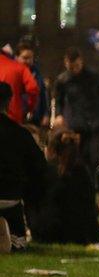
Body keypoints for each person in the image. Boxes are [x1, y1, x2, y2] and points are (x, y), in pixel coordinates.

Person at [25, 128, 99, 245]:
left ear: (51, 149)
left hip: (49, 233)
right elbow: (89, 206)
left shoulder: (46, 170)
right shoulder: (83, 171)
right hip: (79, 233)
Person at [53, 48, 99, 176]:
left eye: (76, 66)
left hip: (97, 123)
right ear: (66, 64)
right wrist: (58, 115)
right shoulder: (62, 80)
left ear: (81, 61)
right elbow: (58, 100)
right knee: (80, 159)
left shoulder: (94, 76)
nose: (74, 70)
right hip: (77, 125)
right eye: (71, 68)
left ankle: (91, 185)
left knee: (95, 158)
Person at [0, 82, 47, 252]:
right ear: (9, 102)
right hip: (10, 200)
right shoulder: (20, 134)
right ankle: (12, 236)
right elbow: (41, 170)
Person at [0, 44, 39, 125]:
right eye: (25, 58)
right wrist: (30, 108)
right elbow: (33, 89)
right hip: (12, 117)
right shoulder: (20, 68)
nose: (28, 61)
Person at [13, 39, 47, 126]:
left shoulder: (37, 74)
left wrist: (45, 114)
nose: (28, 61)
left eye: (30, 58)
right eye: (25, 58)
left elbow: (42, 95)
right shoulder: (11, 74)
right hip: (16, 119)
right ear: (16, 57)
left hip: (34, 120)